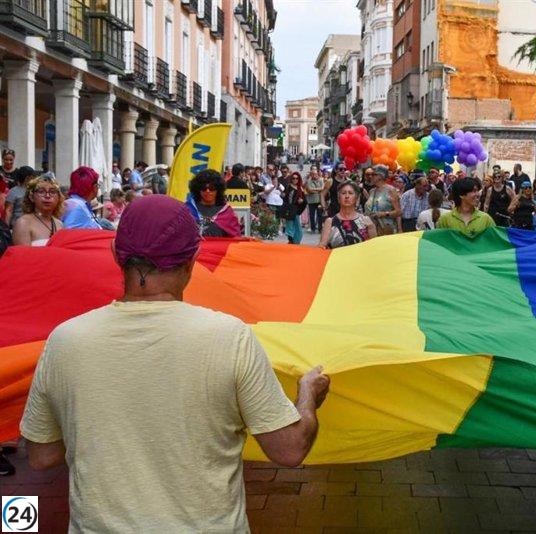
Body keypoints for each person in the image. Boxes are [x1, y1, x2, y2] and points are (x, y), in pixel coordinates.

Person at [20, 194, 330, 531]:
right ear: (192, 260)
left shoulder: (65, 341)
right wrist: (307, 396)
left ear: (114, 255)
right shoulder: (229, 338)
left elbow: (41, 455)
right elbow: (289, 448)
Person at [318, 180, 376, 248]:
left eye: (350, 193)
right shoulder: (330, 222)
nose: (347, 196)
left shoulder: (365, 220)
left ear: (356, 198)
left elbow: (374, 247)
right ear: (338, 198)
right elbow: (321, 246)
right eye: (343, 193)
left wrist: (371, 228)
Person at [12, 174, 64, 246]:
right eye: (41, 191)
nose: (47, 196)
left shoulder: (60, 224)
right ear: (31, 197)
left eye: (52, 192)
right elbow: (22, 255)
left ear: (58, 197)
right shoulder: (23, 223)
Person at [188, 169, 240, 237]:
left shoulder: (227, 212)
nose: (207, 191)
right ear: (198, 189)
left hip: (219, 247)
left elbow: (236, 239)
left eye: (212, 188)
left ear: (218, 190)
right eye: (204, 188)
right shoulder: (188, 210)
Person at [364, 165, 401, 235]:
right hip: (372, 231)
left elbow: (398, 212)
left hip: (386, 230)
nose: (370, 177)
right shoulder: (372, 191)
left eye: (373, 174)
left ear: (381, 176)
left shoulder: (391, 190)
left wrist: (384, 214)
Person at [281, 172, 307, 244]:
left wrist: (302, 201)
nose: (295, 180)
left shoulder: (300, 188)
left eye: (297, 178)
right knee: (289, 225)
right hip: (289, 209)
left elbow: (305, 200)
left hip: (296, 210)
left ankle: (296, 240)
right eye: (293, 178)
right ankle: (291, 240)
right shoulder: (288, 187)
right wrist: (283, 195)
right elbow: (284, 197)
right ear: (291, 179)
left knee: (297, 226)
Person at [304, 167, 325, 233]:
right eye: (312, 174)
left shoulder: (321, 180)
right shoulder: (309, 180)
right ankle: (313, 229)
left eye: (315, 174)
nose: (314, 175)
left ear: (317, 174)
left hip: (319, 200)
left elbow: (322, 188)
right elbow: (310, 189)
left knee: (320, 215)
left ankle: (320, 229)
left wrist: (314, 189)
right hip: (311, 201)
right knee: (312, 216)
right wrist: (318, 190)